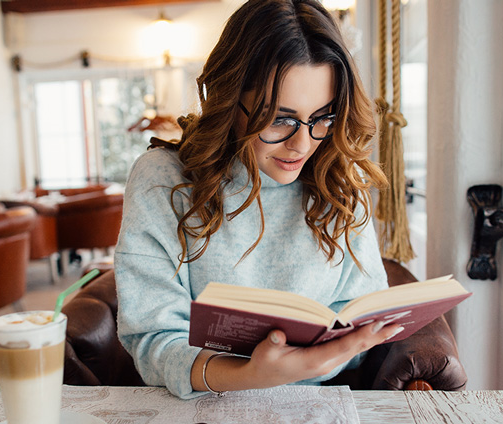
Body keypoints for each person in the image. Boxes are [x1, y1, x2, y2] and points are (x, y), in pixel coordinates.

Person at [114, 0, 401, 399]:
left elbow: (361, 311)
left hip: (319, 403)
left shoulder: (340, 180)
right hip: (202, 404)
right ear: (230, 102)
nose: (303, 144)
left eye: (322, 117)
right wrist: (250, 374)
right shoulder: (163, 180)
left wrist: (343, 348)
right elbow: (154, 339)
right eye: (279, 118)